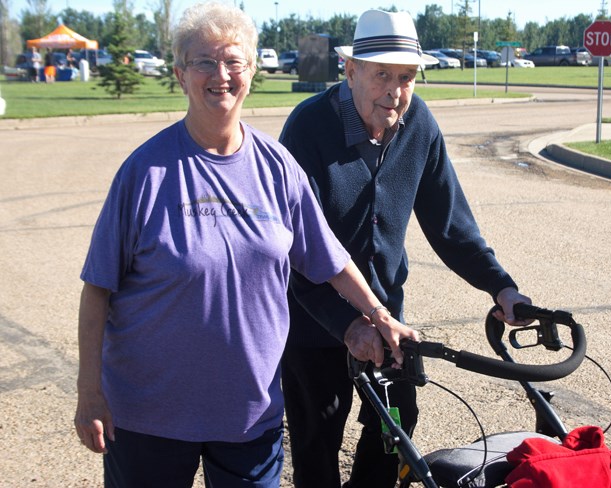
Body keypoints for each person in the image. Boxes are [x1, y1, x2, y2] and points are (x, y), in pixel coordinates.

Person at [73, 4, 418, 488]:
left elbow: (331, 261)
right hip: (151, 417)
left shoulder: (277, 167)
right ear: (180, 74)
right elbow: (97, 290)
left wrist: (380, 316)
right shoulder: (143, 173)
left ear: (251, 70)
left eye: (234, 61)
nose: (221, 75)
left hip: (248, 416)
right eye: (204, 62)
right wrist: (89, 392)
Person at [279, 9, 533, 488]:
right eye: (381, 76)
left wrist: (501, 288)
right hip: (314, 322)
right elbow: (295, 252)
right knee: (318, 438)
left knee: (397, 425)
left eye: (406, 77)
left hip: (387, 321)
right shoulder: (307, 129)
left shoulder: (418, 124)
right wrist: (348, 324)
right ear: (350, 70)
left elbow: (451, 225)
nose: (395, 91)